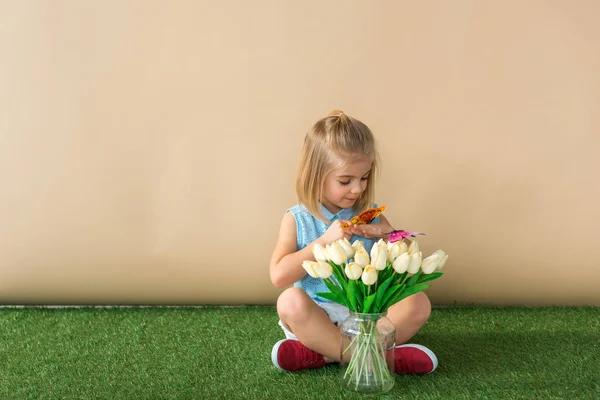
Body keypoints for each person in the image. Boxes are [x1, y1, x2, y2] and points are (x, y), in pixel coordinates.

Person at [269, 110, 438, 373]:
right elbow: (279, 276)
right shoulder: (297, 219)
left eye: (364, 178)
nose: (358, 189)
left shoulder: (370, 215)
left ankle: (326, 355)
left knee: (418, 302)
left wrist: (388, 234)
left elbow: (407, 265)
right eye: (345, 180)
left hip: (369, 317)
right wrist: (322, 243)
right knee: (289, 301)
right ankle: (381, 358)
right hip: (318, 317)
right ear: (316, 176)